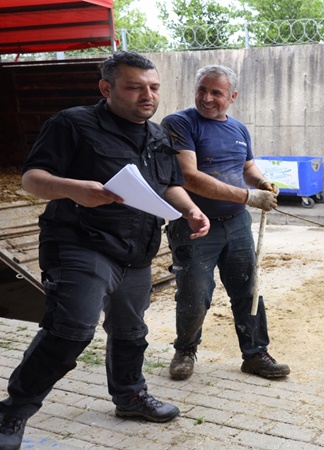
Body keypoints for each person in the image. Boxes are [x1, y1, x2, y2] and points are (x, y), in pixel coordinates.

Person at [0, 51, 210, 449]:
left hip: (138, 248)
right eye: (134, 87)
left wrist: (192, 209)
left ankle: (130, 395)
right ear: (106, 88)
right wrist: (75, 188)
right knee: (72, 328)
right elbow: (32, 178)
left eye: (153, 87)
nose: (147, 96)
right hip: (80, 240)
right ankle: (14, 410)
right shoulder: (73, 123)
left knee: (131, 331)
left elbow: (167, 184)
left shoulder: (159, 135)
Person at [161, 65, 290, 382]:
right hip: (193, 225)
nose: (207, 98)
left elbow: (246, 167)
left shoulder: (239, 130)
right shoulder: (179, 123)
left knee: (249, 289)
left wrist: (261, 183)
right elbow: (189, 177)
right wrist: (247, 197)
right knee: (194, 293)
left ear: (232, 97)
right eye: (202, 90)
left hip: (236, 224)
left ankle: (255, 354)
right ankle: (185, 350)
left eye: (216, 92)